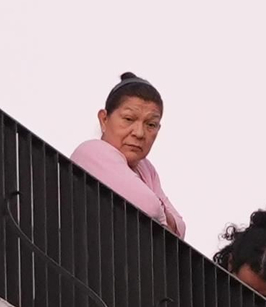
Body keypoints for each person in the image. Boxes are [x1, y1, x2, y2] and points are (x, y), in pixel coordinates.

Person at [71, 72, 186, 239]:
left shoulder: (146, 168)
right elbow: (149, 206)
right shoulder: (91, 151)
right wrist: (163, 217)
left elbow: (180, 227)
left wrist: (161, 217)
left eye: (151, 124)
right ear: (104, 119)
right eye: (129, 119)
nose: (139, 133)